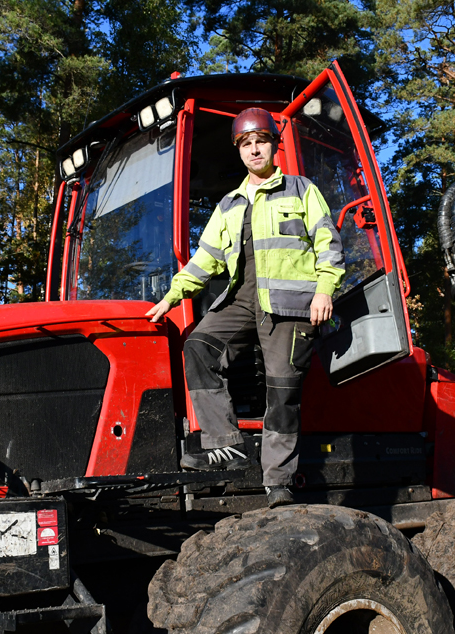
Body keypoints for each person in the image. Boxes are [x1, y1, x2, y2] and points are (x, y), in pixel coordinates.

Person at [145, 108, 345, 507]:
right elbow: (206, 259)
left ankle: (278, 484)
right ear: (239, 151)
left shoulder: (301, 190)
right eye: (246, 143)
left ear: (274, 145)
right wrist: (171, 297)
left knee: (281, 392)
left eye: (262, 141)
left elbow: (329, 244)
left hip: (290, 307)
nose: (255, 149)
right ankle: (225, 444)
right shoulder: (230, 203)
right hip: (242, 299)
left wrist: (324, 290)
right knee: (199, 344)